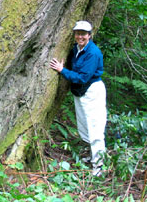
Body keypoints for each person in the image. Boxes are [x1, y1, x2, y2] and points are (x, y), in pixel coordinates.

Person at [49, 20, 107, 176]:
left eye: (83, 34)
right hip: (80, 93)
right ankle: (92, 156)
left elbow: (83, 77)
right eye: (77, 33)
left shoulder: (93, 53)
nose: (80, 36)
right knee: (84, 127)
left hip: (92, 91)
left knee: (95, 129)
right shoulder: (76, 49)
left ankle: (98, 167)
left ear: (89, 35)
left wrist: (62, 70)